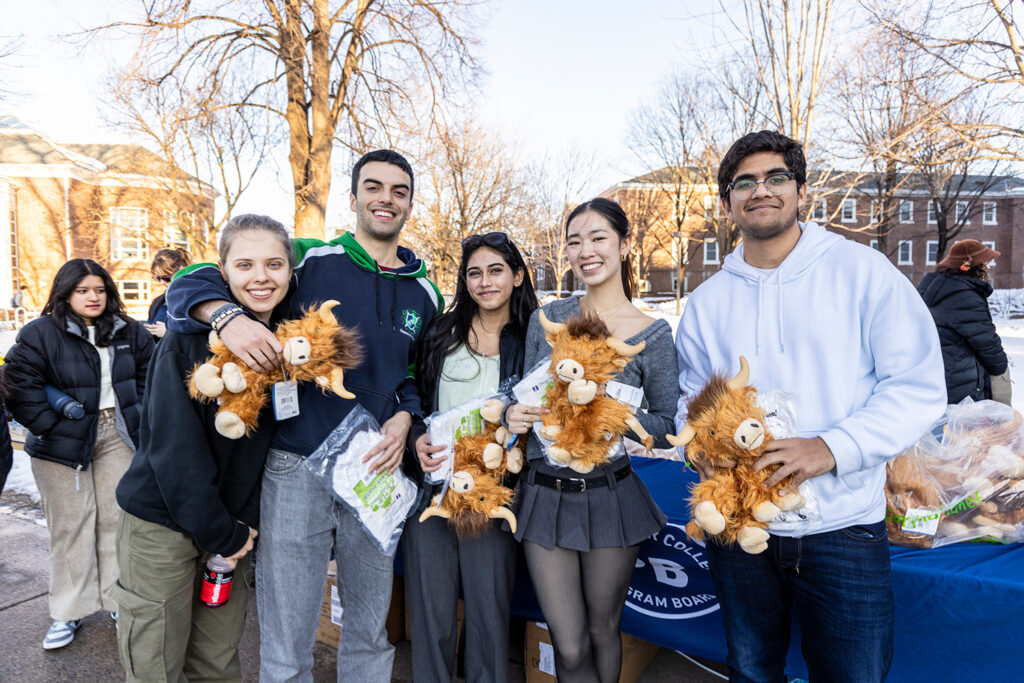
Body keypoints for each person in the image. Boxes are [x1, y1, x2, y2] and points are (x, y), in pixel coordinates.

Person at [675, 130, 946, 682]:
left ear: (801, 191)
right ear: (727, 204)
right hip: (741, 526)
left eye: (775, 178)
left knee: (853, 674)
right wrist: (699, 447)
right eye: (743, 183)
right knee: (752, 669)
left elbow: (916, 385)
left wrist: (830, 448)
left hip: (843, 528)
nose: (760, 191)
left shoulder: (862, 272)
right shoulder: (706, 303)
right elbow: (693, 399)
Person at [165, 150, 442, 682]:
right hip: (295, 465)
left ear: (410, 203)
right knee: (288, 631)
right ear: (354, 197)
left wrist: (406, 416)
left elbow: (413, 375)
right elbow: (194, 278)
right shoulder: (309, 258)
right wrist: (226, 317)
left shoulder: (426, 292)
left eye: (399, 190)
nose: (386, 199)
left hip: (374, 470)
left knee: (369, 627)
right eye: (374, 187)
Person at [110, 215, 291, 681]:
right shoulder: (186, 339)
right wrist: (222, 533)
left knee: (217, 662)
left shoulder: (290, 345)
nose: (261, 277)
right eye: (245, 264)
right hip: (164, 524)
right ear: (222, 272)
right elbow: (175, 454)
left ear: (291, 270)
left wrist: (242, 527)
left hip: (233, 529)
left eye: (274, 264)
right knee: (154, 664)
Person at [504, 197, 677, 682]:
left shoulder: (652, 334)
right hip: (545, 493)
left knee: (604, 630)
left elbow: (666, 428)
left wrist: (611, 410)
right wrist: (514, 414)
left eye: (598, 238)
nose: (586, 251)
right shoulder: (549, 319)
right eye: (575, 241)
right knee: (568, 642)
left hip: (610, 496)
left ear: (624, 245)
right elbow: (526, 394)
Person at [403, 232, 538, 682]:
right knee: (430, 614)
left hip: (493, 495)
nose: (484, 282)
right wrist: (415, 436)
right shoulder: (441, 331)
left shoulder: (533, 337)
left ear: (517, 276)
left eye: (496, 271)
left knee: (488, 614)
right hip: (433, 488)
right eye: (474, 273)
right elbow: (412, 392)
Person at [3, 259, 154, 649]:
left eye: (100, 290)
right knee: (71, 526)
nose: (93, 297)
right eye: (83, 290)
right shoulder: (39, 332)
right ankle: (68, 611)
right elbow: (19, 383)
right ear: (65, 293)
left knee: (117, 521)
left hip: (117, 432)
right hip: (60, 440)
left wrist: (138, 414)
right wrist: (48, 425)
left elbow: (148, 375)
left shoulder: (129, 330)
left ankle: (116, 601)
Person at [918, 239, 1010, 406]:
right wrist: (1003, 393)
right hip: (962, 388)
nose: (987, 268)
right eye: (984, 264)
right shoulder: (964, 296)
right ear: (972, 267)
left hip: (931, 380)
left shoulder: (929, 288)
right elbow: (989, 346)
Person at [146, 248, 192, 340]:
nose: (162, 282)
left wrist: (168, 333)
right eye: (158, 278)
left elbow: (204, 338)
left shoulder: (195, 299)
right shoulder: (157, 302)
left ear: (181, 271)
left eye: (166, 278)